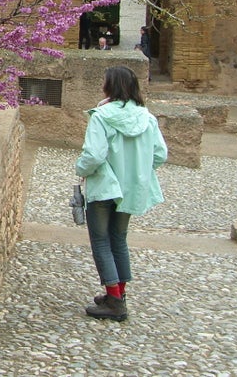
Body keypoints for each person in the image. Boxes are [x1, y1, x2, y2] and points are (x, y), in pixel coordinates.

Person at [75, 66, 167, 321]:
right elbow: (160, 154)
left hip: (105, 187)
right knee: (119, 239)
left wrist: (80, 169)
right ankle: (118, 294)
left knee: (102, 241)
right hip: (130, 188)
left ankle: (114, 301)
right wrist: (138, 170)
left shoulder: (101, 116)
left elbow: (93, 155)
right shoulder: (147, 118)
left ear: (110, 87)